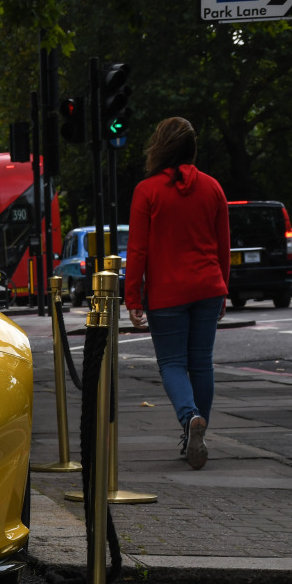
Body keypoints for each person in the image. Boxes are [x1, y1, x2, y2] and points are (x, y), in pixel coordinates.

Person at [124, 117, 231, 469]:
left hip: (167, 291)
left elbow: (137, 251)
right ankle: (195, 433)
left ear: (161, 147)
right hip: (208, 286)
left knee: (172, 363)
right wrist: (223, 289)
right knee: (202, 363)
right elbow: (223, 247)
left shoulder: (147, 191)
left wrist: (133, 298)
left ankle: (189, 418)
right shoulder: (214, 188)